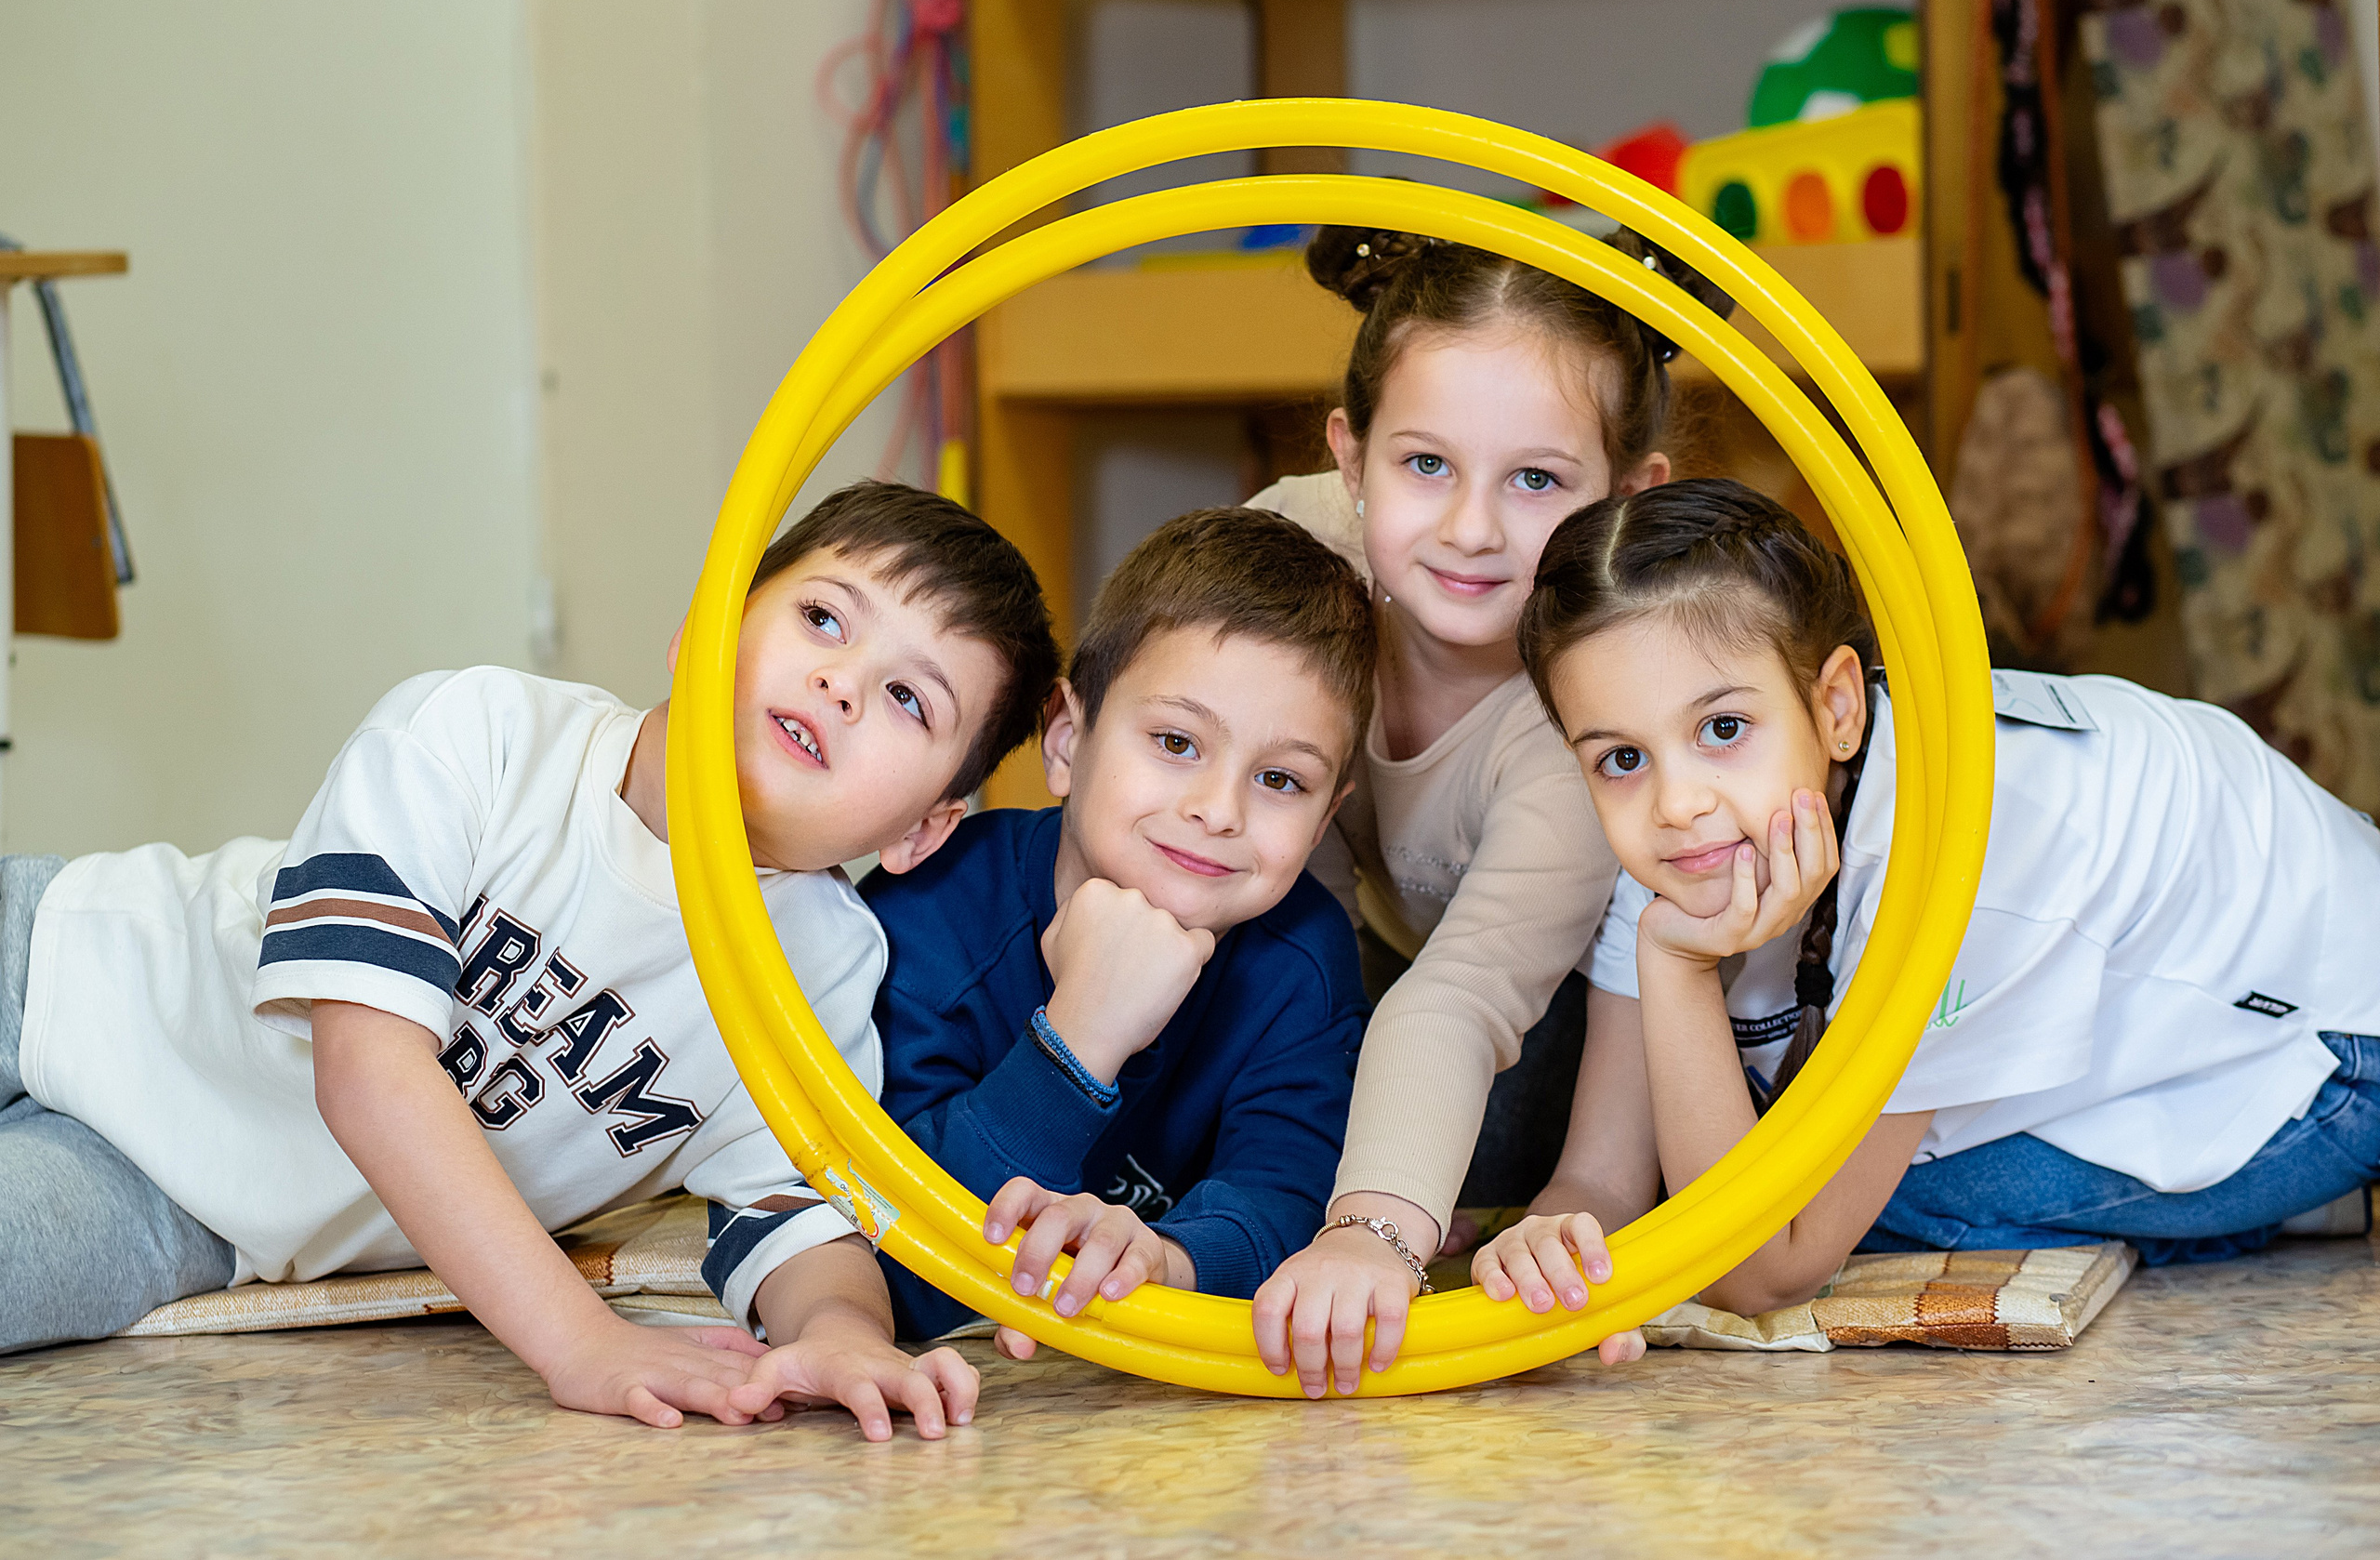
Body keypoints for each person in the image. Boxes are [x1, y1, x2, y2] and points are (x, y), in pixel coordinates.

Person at [0, 481, 1062, 1441]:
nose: (840, 682)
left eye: (908, 698)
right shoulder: (479, 734)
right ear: (702, 630)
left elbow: (788, 1210)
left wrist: (838, 1328)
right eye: (823, 618)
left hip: (195, 1201)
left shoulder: (823, 974)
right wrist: (578, 1337)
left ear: (923, 828)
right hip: (63, 954)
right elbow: (367, 1067)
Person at [1474, 476, 2380, 1319]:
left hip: (2330, 1044)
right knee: (1776, 1157)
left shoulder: (1961, 860)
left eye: (1723, 727)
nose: (1676, 801)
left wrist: (1674, 966)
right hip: (2158, 986)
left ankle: (2294, 1181)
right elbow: (1604, 1174)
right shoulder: (1698, 832)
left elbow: (1759, 1264)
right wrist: (1555, 1231)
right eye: (1619, 757)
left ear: (1836, 706)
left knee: (1877, 1202)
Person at [1243, 223, 1733, 1395]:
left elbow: (1460, 998)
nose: (1470, 528)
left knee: (1466, 1129)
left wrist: (1374, 1234)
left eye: (1535, 480)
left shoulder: (1580, 722)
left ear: (1626, 497)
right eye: (1425, 465)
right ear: (1348, 460)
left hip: (1544, 999)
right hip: (1332, 937)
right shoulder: (1290, 553)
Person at [861, 509, 1372, 1348]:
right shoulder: (926, 912)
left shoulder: (1301, 959)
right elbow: (894, 1271)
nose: (1218, 809)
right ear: (1066, 738)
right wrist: (1077, 1042)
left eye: (1282, 779)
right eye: (1176, 741)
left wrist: (1169, 1263)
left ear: (1324, 823)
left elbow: (1290, 1201)